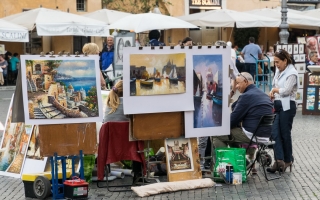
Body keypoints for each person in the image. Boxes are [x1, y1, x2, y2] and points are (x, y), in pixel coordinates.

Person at [212, 72, 273, 174]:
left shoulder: (246, 96)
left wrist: (219, 126)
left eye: (238, 83)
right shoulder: (262, 94)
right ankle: (242, 162)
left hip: (252, 135)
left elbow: (232, 120)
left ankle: (234, 163)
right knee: (232, 135)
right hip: (266, 135)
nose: (236, 86)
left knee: (217, 135)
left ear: (245, 81)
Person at [267, 49, 298, 173]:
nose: (276, 65)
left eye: (278, 62)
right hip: (278, 104)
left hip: (288, 105)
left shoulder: (292, 73)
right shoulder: (279, 70)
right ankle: (279, 160)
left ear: (285, 61)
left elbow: (286, 90)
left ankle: (287, 160)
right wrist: (272, 92)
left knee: (285, 134)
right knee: (275, 132)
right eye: (274, 62)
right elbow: (275, 84)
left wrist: (275, 90)